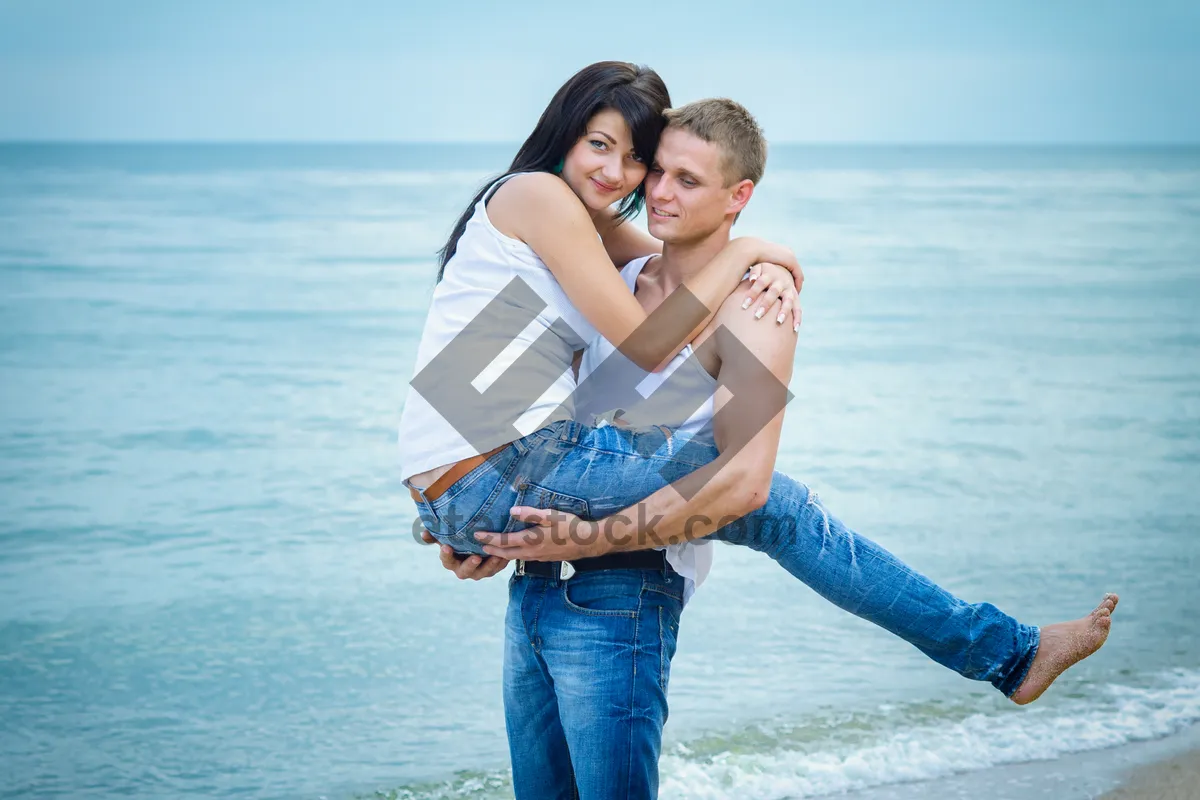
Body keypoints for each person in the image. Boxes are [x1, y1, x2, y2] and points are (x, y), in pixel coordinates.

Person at [402, 66, 1117, 797]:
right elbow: (589, 360)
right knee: (778, 506)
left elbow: (734, 482)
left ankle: (1003, 652)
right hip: (527, 545)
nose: (642, 185)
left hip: (607, 577)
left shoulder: (744, 306)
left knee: (763, 495)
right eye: (614, 151)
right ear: (566, 130)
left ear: (737, 196)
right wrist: (470, 517)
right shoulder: (571, 231)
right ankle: (1005, 652)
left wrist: (509, 521)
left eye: (660, 169)